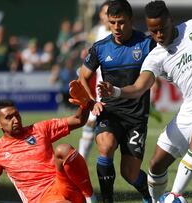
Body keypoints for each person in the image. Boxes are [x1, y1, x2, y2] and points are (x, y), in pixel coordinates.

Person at [97, 1, 192, 202]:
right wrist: (116, 91)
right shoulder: (155, 57)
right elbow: (138, 88)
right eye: (153, 31)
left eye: (162, 29)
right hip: (189, 110)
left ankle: (175, 196)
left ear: (171, 20)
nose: (159, 35)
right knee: (156, 164)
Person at [78, 0, 155, 202]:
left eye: (121, 22)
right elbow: (83, 76)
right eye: (112, 22)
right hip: (110, 111)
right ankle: (107, 199)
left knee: (129, 174)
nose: (116, 28)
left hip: (136, 116)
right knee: (106, 145)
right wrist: (91, 101)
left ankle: (150, 196)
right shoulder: (100, 48)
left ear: (131, 20)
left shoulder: (147, 44)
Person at [0, 81, 97, 203]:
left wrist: (84, 105)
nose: (15, 120)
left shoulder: (39, 129)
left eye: (17, 115)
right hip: (41, 197)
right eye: (9, 118)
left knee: (64, 149)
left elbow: (78, 120)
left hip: (64, 185)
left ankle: (90, 197)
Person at [79, 0, 111, 160]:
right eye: (105, 13)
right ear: (100, 15)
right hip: (100, 84)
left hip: (114, 85)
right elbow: (87, 51)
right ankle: (81, 159)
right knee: (91, 121)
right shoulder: (96, 32)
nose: (108, 17)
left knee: (94, 122)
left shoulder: (119, 32)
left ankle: (81, 159)